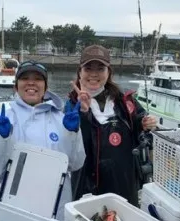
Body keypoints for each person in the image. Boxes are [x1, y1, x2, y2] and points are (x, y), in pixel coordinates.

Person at [0, 60, 85, 221]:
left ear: (46, 87)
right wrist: (1, 138)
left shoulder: (62, 118)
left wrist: (72, 134)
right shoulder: (3, 118)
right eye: (25, 78)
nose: (31, 82)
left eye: (37, 79)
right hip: (15, 206)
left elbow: (76, 163)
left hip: (56, 208)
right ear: (16, 86)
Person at [66, 45, 157, 206]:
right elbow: (69, 148)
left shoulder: (125, 102)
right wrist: (83, 113)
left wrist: (145, 123)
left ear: (109, 73)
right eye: (88, 68)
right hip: (85, 185)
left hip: (123, 184)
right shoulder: (69, 105)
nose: (94, 74)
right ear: (80, 72)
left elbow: (140, 130)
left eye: (100, 68)